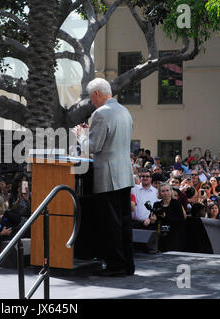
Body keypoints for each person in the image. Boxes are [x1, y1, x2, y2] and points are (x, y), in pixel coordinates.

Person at [74, 78, 135, 277]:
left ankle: (116, 265)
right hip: (124, 174)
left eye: (92, 99)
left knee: (111, 224)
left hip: (108, 176)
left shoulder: (101, 114)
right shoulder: (125, 111)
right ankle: (128, 264)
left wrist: (81, 135)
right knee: (124, 221)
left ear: (97, 94)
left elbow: (93, 147)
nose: (92, 103)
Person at [151, 183, 186, 252]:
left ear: (171, 192)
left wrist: (165, 216)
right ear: (160, 193)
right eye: (163, 191)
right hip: (160, 236)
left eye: (167, 190)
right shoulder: (156, 205)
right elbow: (153, 220)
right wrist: (152, 220)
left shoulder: (176, 204)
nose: (165, 193)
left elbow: (181, 221)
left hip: (174, 237)